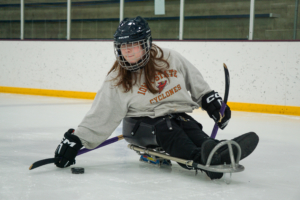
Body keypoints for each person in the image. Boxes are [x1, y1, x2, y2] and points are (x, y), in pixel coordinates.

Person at [54, 16, 259, 180]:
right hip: (141, 125)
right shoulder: (117, 78)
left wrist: (209, 100)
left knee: (188, 125)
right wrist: (76, 139)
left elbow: (195, 81)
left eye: (133, 45)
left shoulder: (169, 58)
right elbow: (101, 113)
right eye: (123, 47)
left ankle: (216, 149)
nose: (127, 51)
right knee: (167, 127)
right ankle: (203, 159)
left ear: (146, 44)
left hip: (174, 116)